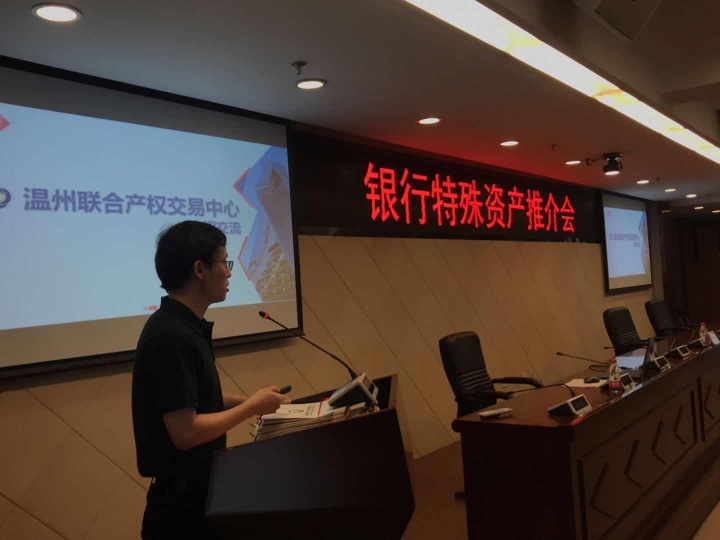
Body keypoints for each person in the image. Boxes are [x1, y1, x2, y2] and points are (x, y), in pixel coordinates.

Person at [131, 220, 290, 539]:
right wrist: (251, 408)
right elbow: (186, 432)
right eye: (224, 263)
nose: (230, 273)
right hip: (179, 511)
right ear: (200, 269)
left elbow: (197, 400)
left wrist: (251, 400)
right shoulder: (170, 335)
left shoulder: (184, 326)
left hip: (197, 495)